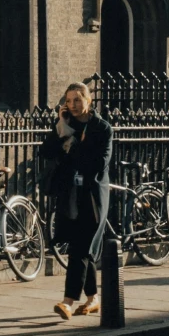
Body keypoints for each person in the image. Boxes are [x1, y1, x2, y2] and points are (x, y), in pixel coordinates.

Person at [40, 83, 113, 319]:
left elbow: (99, 163)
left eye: (77, 100)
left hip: (92, 197)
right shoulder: (66, 126)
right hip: (71, 195)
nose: (72, 105)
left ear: (88, 101)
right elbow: (46, 152)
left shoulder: (102, 128)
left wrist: (74, 148)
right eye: (69, 100)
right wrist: (61, 128)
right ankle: (93, 299)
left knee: (79, 249)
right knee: (83, 250)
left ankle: (68, 302)